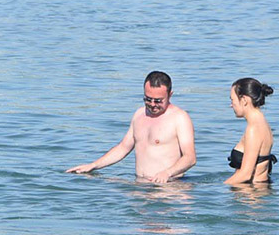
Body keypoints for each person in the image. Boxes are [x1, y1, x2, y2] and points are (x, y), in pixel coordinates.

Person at [66, 71, 196, 183]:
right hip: (140, 187)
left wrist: (167, 173)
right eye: (148, 99)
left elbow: (190, 158)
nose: (152, 104)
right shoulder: (139, 114)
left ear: (170, 95)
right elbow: (123, 148)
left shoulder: (179, 118)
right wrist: (93, 165)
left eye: (158, 101)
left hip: (170, 187)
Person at [224, 78, 276, 185]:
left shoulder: (254, 128)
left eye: (232, 100)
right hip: (260, 191)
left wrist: (217, 190)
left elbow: (245, 174)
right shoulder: (263, 123)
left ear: (244, 100)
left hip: (250, 195)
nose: (231, 105)